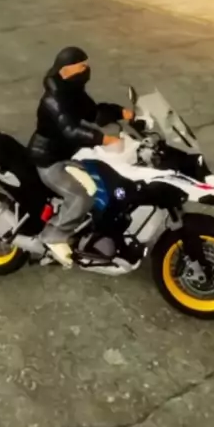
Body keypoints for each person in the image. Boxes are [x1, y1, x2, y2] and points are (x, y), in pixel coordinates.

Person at [28, 46, 134, 267]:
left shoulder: (72, 91)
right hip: (49, 159)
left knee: (102, 180)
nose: (86, 70)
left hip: (69, 153)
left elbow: (93, 112)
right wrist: (104, 139)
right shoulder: (53, 99)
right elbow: (71, 130)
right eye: (82, 66)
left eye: (87, 65)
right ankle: (53, 237)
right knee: (81, 196)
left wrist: (121, 113)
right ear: (66, 69)